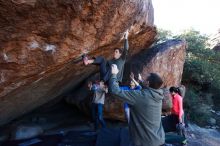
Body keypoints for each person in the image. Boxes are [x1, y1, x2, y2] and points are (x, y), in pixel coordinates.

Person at [109, 64, 165, 146]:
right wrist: (140, 81)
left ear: (148, 83)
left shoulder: (140, 96)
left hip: (145, 142)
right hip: (158, 139)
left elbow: (114, 90)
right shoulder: (158, 95)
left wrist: (114, 74)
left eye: (145, 80)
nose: (143, 80)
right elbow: (146, 89)